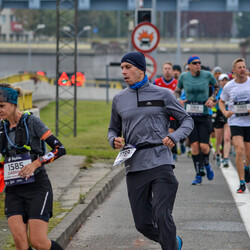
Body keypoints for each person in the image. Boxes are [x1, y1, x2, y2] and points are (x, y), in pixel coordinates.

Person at [108, 51, 194, 250]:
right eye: (122, 68)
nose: (124, 72)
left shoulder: (163, 94)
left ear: (140, 69)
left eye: (128, 67)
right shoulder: (119, 99)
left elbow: (186, 120)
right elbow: (113, 128)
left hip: (160, 160)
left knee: (162, 214)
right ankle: (173, 242)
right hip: (135, 164)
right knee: (143, 224)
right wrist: (114, 140)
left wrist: (174, 136)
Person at [0, 83, 66, 249]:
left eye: (1, 106)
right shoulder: (2, 129)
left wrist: (37, 163)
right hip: (13, 189)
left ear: (14, 103)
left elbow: (60, 149)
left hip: (37, 187)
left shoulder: (32, 122)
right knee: (20, 244)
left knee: (38, 242)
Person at [174, 55, 219, 185]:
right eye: (195, 63)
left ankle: (207, 164)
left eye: (199, 62)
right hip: (189, 116)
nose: (198, 65)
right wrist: (179, 100)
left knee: (204, 147)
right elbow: (177, 92)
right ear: (189, 65)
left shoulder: (207, 75)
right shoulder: (184, 77)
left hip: (204, 115)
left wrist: (212, 99)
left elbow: (217, 87)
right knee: (194, 145)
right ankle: (198, 173)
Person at [219, 58, 250, 193]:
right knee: (239, 150)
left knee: (248, 154)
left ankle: (247, 168)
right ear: (234, 71)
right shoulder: (229, 86)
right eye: (239, 67)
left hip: (248, 122)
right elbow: (221, 101)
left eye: (244, 67)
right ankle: (242, 182)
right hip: (236, 121)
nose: (242, 69)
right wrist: (225, 111)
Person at [154, 62, 179, 160]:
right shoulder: (157, 82)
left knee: (170, 133)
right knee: (162, 134)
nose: (167, 70)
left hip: (172, 113)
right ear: (163, 70)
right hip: (161, 113)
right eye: (165, 68)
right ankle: (166, 152)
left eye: (169, 68)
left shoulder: (177, 83)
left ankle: (169, 153)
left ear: (172, 71)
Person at [214, 73, 231, 167]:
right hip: (219, 114)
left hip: (228, 114)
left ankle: (225, 158)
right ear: (219, 82)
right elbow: (214, 101)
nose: (224, 82)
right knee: (218, 139)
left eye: (226, 80)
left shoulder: (232, 89)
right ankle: (217, 154)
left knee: (227, 138)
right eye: (222, 80)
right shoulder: (218, 91)